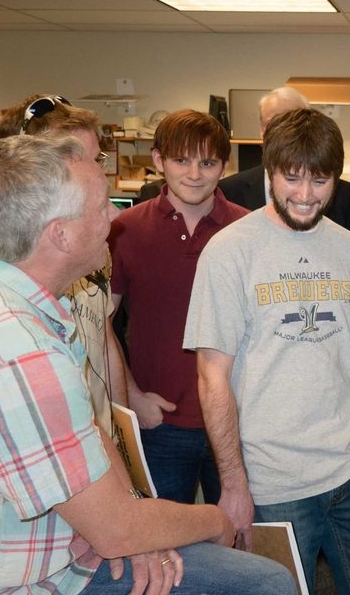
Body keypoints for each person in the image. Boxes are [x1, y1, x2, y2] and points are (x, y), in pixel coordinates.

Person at [0, 134, 296, 595]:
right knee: (267, 582)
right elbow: (117, 530)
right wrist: (213, 520)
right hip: (23, 577)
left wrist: (137, 524)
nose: (115, 217)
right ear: (60, 233)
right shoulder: (21, 358)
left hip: (45, 535)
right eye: (100, 208)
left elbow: (89, 434)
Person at [184, 108, 350, 594]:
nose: (305, 196)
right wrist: (234, 484)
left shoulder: (349, 248)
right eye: (292, 179)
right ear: (270, 170)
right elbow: (211, 377)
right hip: (272, 481)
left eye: (320, 181)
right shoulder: (229, 252)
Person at [0, 95, 131, 438]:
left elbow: (104, 335)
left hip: (98, 433)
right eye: (77, 161)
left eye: (96, 159)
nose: (93, 173)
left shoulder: (92, 244)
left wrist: (123, 424)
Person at [109, 109, 248, 504]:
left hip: (238, 423)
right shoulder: (123, 230)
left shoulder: (249, 230)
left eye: (207, 162)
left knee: (242, 547)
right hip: (160, 425)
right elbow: (101, 324)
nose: (194, 174)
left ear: (224, 166)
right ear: (158, 160)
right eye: (181, 160)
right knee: (165, 551)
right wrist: (132, 396)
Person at [216, 87, 350, 243]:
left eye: (294, 123)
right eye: (291, 179)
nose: (304, 195)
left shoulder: (345, 195)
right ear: (262, 127)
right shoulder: (227, 191)